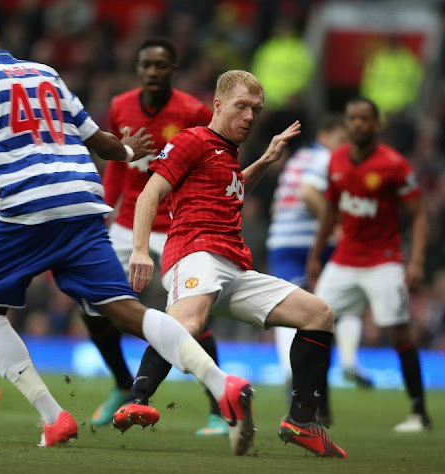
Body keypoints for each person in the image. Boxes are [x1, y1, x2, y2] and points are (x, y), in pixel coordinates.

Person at [0, 14, 258, 454]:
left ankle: (54, 418)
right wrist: (127, 152)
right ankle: (223, 385)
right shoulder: (46, 74)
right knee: (124, 311)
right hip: (82, 200)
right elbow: (95, 138)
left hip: (25, 208)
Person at [121, 69, 347, 458]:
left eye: (256, 110)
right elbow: (150, 192)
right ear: (219, 104)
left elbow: (233, 187)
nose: (249, 116)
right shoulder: (192, 139)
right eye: (242, 106)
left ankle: (302, 420)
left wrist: (266, 159)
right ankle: (136, 397)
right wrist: (141, 249)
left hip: (236, 267)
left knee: (319, 314)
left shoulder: (226, 155)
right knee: (188, 323)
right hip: (196, 252)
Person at [84, 38, 227, 436]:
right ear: (138, 68)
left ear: (173, 69)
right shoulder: (119, 106)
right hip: (127, 222)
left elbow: (207, 165)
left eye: (160, 66)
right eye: (146, 65)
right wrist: (103, 210)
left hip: (177, 226)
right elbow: (115, 163)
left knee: (191, 315)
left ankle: (218, 408)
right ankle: (122, 384)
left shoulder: (192, 111)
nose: (152, 72)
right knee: (92, 303)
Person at [307, 97, 432, 433]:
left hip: (383, 261)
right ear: (347, 123)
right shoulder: (335, 161)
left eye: (365, 119)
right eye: (353, 118)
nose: (358, 124)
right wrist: (316, 256)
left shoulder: (393, 164)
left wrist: (416, 261)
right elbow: (330, 212)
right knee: (316, 325)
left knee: (399, 332)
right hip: (344, 259)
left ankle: (420, 413)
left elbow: (419, 215)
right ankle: (320, 411)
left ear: (376, 124)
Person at [266, 116, 372, 425]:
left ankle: (290, 373)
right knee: (341, 302)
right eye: (342, 135)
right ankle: (349, 361)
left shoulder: (298, 158)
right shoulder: (325, 157)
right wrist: (336, 228)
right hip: (311, 246)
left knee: (289, 309)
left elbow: (279, 204)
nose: (347, 144)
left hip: (281, 241)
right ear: (325, 134)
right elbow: (309, 193)